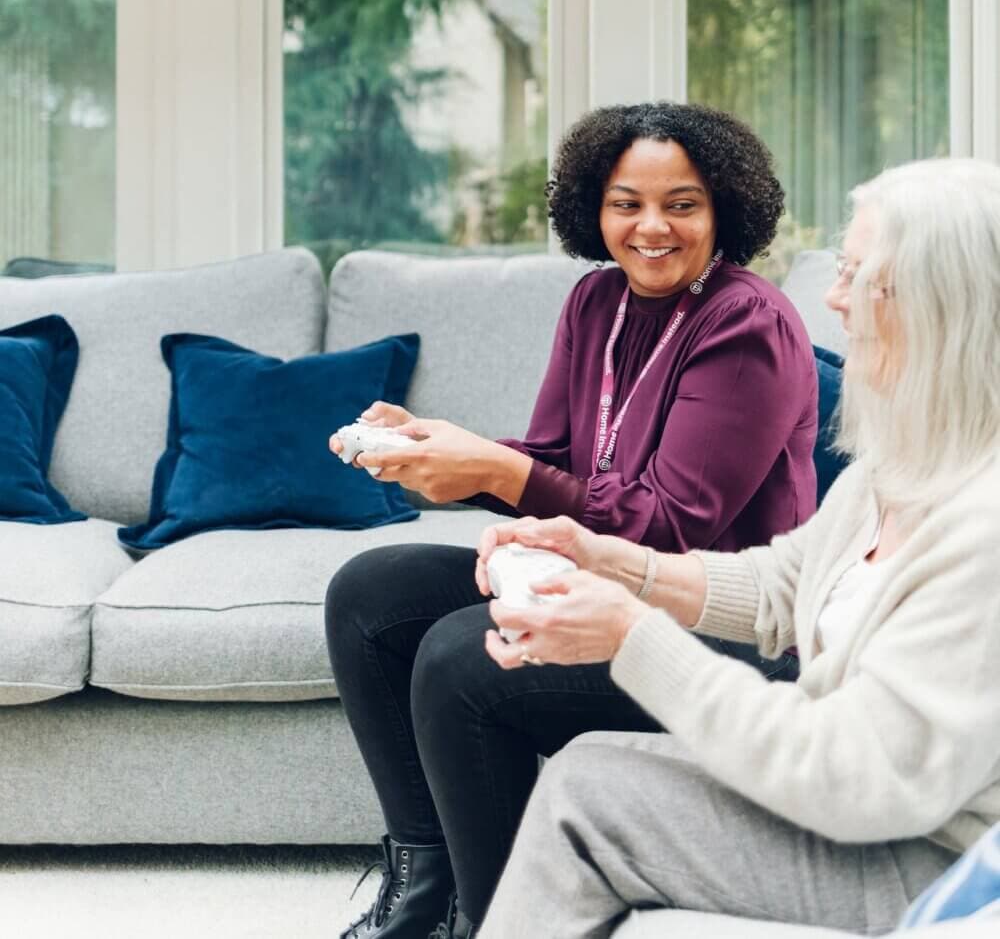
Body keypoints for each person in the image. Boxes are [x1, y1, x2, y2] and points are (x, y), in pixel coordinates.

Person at [326, 101, 819, 939]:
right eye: (627, 202)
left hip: (725, 623)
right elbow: (555, 458)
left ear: (725, 208)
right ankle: (425, 900)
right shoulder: (597, 302)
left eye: (683, 204)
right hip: (601, 581)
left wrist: (494, 469)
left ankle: (509, 920)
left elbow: (669, 523)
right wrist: (439, 453)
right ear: (594, 208)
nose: (652, 227)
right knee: (371, 592)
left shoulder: (748, 322)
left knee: (461, 657)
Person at [476, 156, 1000, 939]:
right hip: (887, 819)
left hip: (936, 860)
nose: (834, 298)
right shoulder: (899, 468)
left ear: (942, 303)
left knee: (587, 797)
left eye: (860, 276)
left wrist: (629, 635)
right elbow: (780, 586)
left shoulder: (983, 528)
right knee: (587, 765)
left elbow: (858, 777)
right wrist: (605, 559)